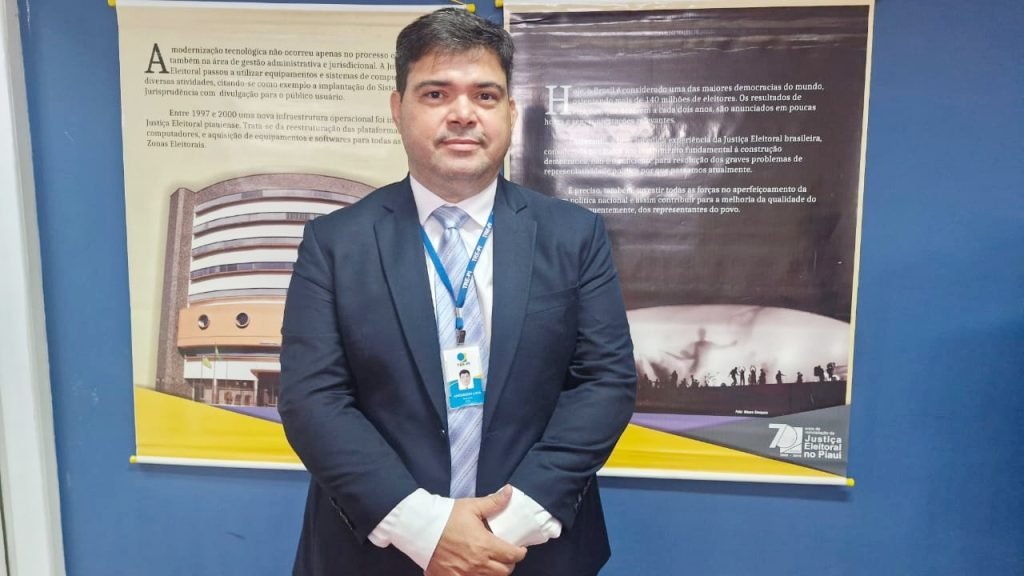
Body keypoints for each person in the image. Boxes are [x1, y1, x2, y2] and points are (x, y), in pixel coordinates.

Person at [278, 8, 636, 576]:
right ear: (397, 108)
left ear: (510, 112)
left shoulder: (574, 236)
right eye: (436, 94)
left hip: (528, 551)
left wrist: (500, 529)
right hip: (377, 552)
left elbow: (605, 382)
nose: (463, 114)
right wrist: (427, 530)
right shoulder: (335, 243)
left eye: (485, 95)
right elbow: (313, 399)